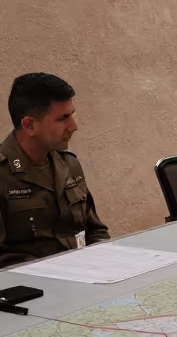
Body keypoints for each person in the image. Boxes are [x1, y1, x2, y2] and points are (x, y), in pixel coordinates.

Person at [0, 73, 110, 269]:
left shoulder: (68, 164)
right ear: (30, 125)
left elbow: (95, 231)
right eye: (63, 118)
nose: (74, 126)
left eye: (72, 115)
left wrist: (106, 264)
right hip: (30, 287)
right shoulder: (3, 175)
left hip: (83, 276)